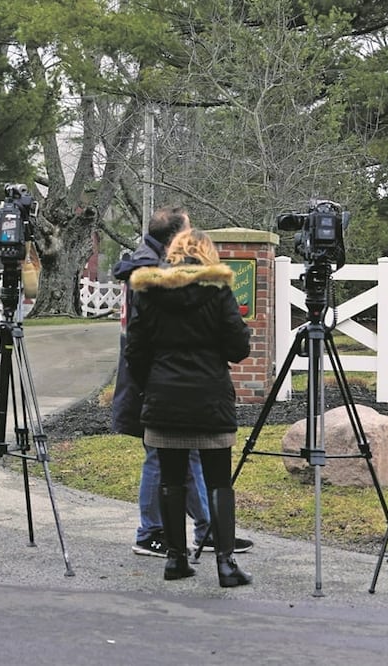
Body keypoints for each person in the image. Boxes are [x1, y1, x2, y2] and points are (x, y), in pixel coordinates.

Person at [111, 207, 253, 557]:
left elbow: (138, 346)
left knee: (176, 464)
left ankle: (195, 539)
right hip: (195, 394)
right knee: (164, 463)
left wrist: (155, 380)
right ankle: (157, 532)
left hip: (160, 389)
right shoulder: (164, 279)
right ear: (175, 239)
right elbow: (237, 347)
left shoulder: (148, 281)